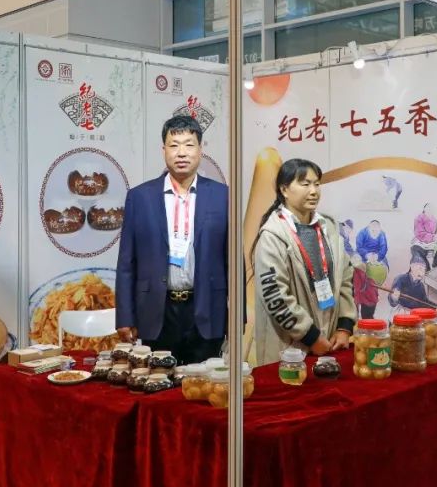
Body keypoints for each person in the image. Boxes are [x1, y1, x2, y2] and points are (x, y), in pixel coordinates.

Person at [115, 115, 228, 365]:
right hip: (157, 311)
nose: (181, 153)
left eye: (189, 145)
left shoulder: (222, 196)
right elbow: (126, 262)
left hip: (207, 308)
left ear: (200, 149)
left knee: (203, 382)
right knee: (159, 380)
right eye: (174, 145)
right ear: (163, 150)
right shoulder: (140, 197)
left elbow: (232, 260)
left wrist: (237, 317)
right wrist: (125, 316)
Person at [251, 159, 356, 366]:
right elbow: (275, 294)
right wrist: (311, 337)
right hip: (288, 348)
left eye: (317, 184)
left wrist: (344, 327)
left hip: (330, 343)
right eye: (305, 184)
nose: (313, 191)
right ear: (284, 190)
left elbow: (345, 279)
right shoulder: (273, 235)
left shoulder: (329, 228)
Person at [351, 253, 379, 320]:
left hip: (369, 296)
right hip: (367, 295)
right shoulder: (355, 273)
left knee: (366, 318)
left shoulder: (358, 272)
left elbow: (357, 290)